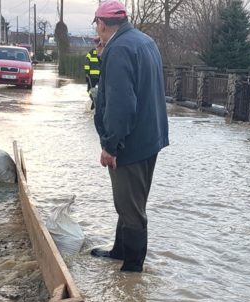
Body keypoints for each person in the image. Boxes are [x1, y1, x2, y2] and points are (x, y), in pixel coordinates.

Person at [89, 0, 169, 273]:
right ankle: (120, 251)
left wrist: (111, 146)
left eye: (96, 25)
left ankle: (133, 271)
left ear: (101, 23)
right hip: (150, 137)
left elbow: (121, 105)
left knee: (131, 207)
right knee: (130, 200)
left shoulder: (119, 49)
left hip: (130, 143)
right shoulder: (144, 41)